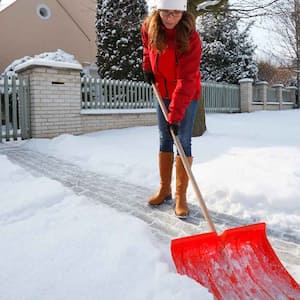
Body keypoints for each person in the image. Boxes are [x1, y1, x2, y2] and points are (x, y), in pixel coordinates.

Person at [141, 0, 202, 218]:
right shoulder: (150, 26)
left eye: (175, 13)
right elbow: (147, 50)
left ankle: (180, 196)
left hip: (186, 94)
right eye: (166, 12)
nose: (170, 17)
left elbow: (186, 80)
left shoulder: (191, 37)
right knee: (164, 139)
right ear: (158, 10)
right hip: (162, 92)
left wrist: (175, 115)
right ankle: (165, 189)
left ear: (183, 12)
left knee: (182, 140)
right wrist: (148, 68)